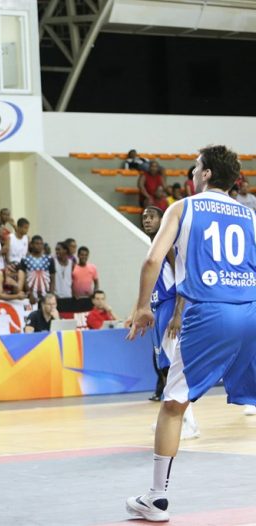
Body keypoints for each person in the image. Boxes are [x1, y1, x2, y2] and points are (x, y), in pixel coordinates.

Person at [125, 145, 256, 521]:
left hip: (209, 311)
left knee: (173, 405)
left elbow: (152, 258)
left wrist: (142, 307)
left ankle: (156, 499)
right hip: (250, 310)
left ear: (208, 173)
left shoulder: (183, 208)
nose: (193, 173)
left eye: (196, 167)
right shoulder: (249, 215)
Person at [138, 207, 200, 438]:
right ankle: (170, 419)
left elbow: (182, 280)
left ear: (163, 220)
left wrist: (177, 314)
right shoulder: (154, 247)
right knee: (165, 368)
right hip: (157, 309)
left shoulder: (170, 246)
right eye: (144, 217)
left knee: (174, 369)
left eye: (151, 217)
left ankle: (189, 423)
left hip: (169, 307)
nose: (147, 220)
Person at [18, 235, 55, 306]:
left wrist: (51, 293)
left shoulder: (49, 259)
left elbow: (52, 278)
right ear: (31, 245)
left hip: (46, 294)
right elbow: (24, 278)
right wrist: (29, 293)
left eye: (41, 244)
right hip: (31, 295)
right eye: (37, 243)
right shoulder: (25, 260)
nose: (39, 246)